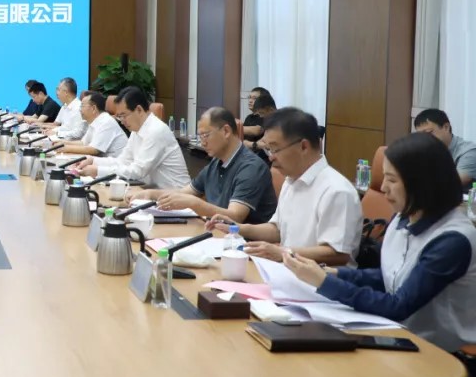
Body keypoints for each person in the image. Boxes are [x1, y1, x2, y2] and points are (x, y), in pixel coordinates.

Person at [285, 132, 475, 351]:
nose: (383, 187)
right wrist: (333, 273)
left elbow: (399, 306)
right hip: (397, 335)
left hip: (440, 351)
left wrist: (325, 283)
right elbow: (391, 277)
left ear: (422, 184)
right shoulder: (403, 217)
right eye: (384, 177)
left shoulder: (452, 240)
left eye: (392, 180)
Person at [206, 107, 361, 265]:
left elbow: (338, 254)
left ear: (303, 146)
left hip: (321, 279)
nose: (271, 157)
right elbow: (277, 230)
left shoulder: (337, 191)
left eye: (275, 149)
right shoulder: (291, 181)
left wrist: (284, 253)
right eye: (268, 149)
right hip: (287, 271)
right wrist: (236, 228)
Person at [131, 107, 276, 224]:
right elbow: (184, 193)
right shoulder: (216, 162)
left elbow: (235, 217)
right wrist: (151, 194)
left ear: (226, 131)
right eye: (200, 137)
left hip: (243, 244)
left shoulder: (251, 167)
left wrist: (195, 204)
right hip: (216, 235)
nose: (202, 142)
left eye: (205, 135)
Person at [74, 86, 189, 189]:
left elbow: (138, 171)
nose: (122, 121)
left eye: (123, 115)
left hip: (176, 196)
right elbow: (123, 161)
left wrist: (98, 170)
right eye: (119, 117)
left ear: (139, 110)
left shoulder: (156, 131)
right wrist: (93, 160)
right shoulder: (136, 130)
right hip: (152, 191)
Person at [414, 108, 476, 185]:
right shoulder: (423, 151)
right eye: (420, 135)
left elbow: (454, 183)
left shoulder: (468, 151)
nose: (424, 138)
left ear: (446, 127)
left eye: (428, 132)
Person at [59, 92, 127, 158]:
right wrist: (63, 143)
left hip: (115, 163)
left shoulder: (106, 122)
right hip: (102, 161)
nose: (80, 110)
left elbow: (94, 150)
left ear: (93, 108)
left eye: (82, 106)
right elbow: (83, 143)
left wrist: (66, 148)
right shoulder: (94, 121)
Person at [244, 93, 277, 163]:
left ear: (271, 110)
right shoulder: (270, 121)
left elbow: (267, 145)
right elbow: (263, 140)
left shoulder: (281, 122)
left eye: (262, 113)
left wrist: (251, 144)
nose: (261, 116)